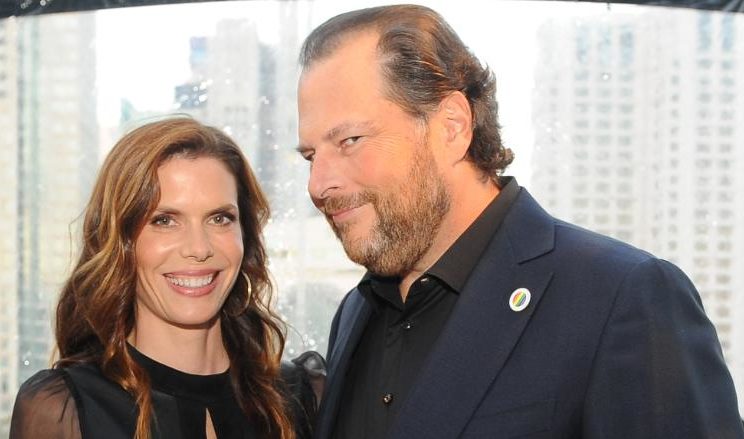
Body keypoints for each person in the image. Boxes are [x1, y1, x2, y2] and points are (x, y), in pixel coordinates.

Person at [296, 4, 744, 439]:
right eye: (311, 156)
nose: (318, 185)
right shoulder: (356, 311)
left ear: (451, 125)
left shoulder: (620, 298)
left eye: (350, 140)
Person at [10, 117, 322, 439]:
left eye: (220, 218)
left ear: (246, 234)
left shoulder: (303, 397)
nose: (199, 248)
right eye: (164, 221)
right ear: (120, 243)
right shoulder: (66, 410)